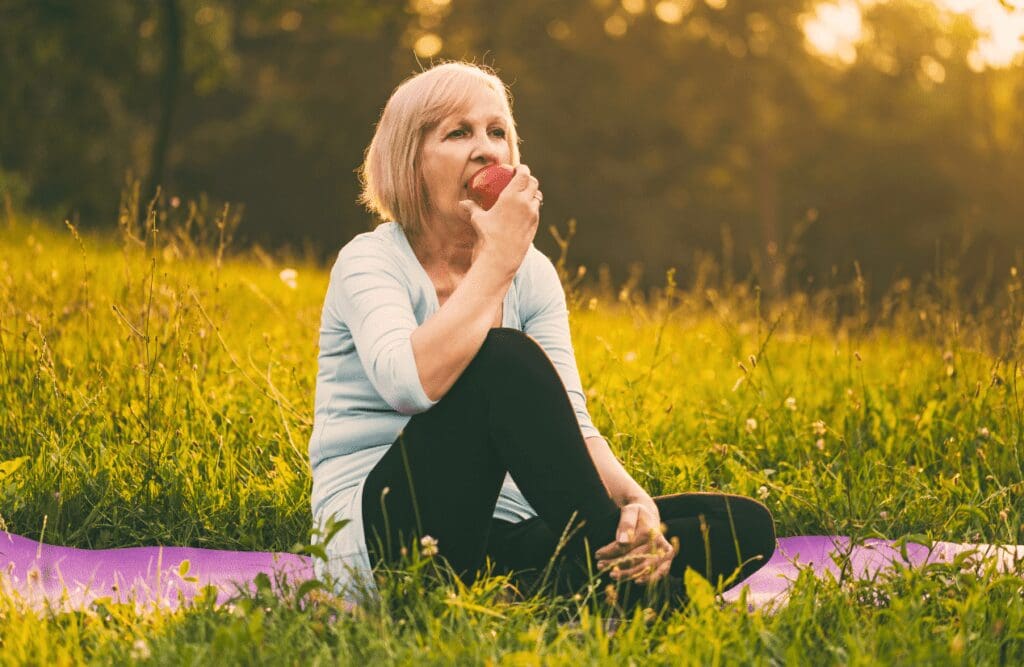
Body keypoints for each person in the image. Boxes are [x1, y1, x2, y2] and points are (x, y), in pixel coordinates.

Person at [309, 61, 775, 608]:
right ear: (409, 163)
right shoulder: (370, 261)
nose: (487, 149)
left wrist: (635, 502)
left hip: (503, 534)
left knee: (736, 525)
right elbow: (408, 384)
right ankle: (636, 599)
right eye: (458, 133)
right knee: (502, 360)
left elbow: (573, 423)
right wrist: (496, 264)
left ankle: (547, 587)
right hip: (389, 536)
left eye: (498, 131)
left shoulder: (532, 273)